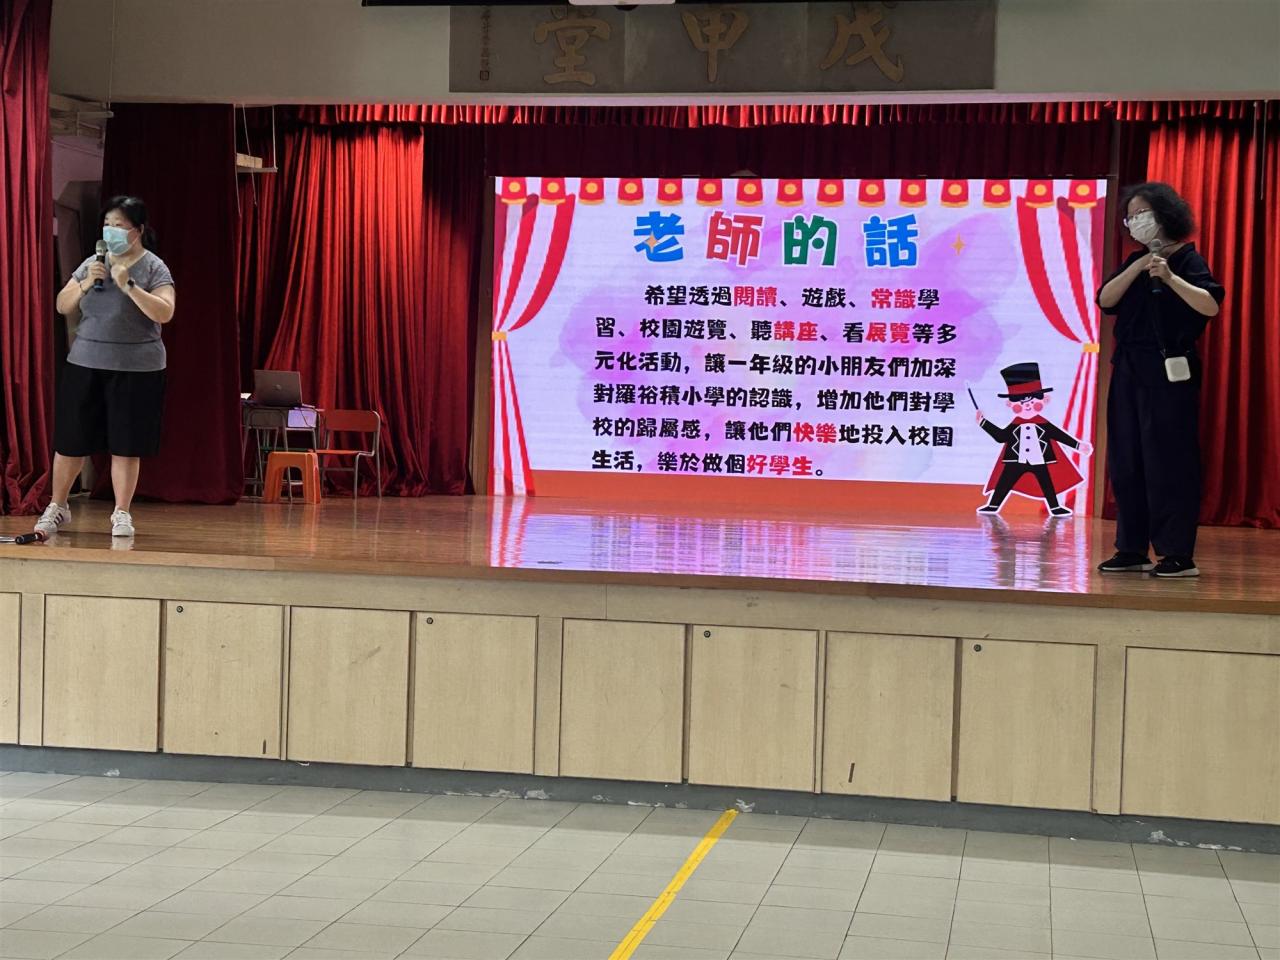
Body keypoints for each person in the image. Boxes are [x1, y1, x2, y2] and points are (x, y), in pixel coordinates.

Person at [1095, 182, 1224, 578]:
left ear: (1164, 215)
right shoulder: (1134, 261)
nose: (1135, 221)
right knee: (1127, 459)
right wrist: (1138, 266)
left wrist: (1168, 277)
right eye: (1130, 217)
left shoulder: (1187, 259)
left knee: (1168, 460)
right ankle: (1131, 548)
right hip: (1129, 369)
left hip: (1169, 371)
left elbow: (1210, 304)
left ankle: (1176, 553)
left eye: (1141, 213)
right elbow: (1106, 299)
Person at [36, 196, 176, 539]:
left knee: (126, 443)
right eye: (107, 224)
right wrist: (86, 282)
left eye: (119, 225)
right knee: (71, 440)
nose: (111, 231)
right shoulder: (92, 263)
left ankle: (122, 512)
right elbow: (62, 304)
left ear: (137, 231)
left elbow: (165, 312)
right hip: (86, 361)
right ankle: (58, 506)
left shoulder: (154, 267)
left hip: (137, 368)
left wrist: (129, 285)